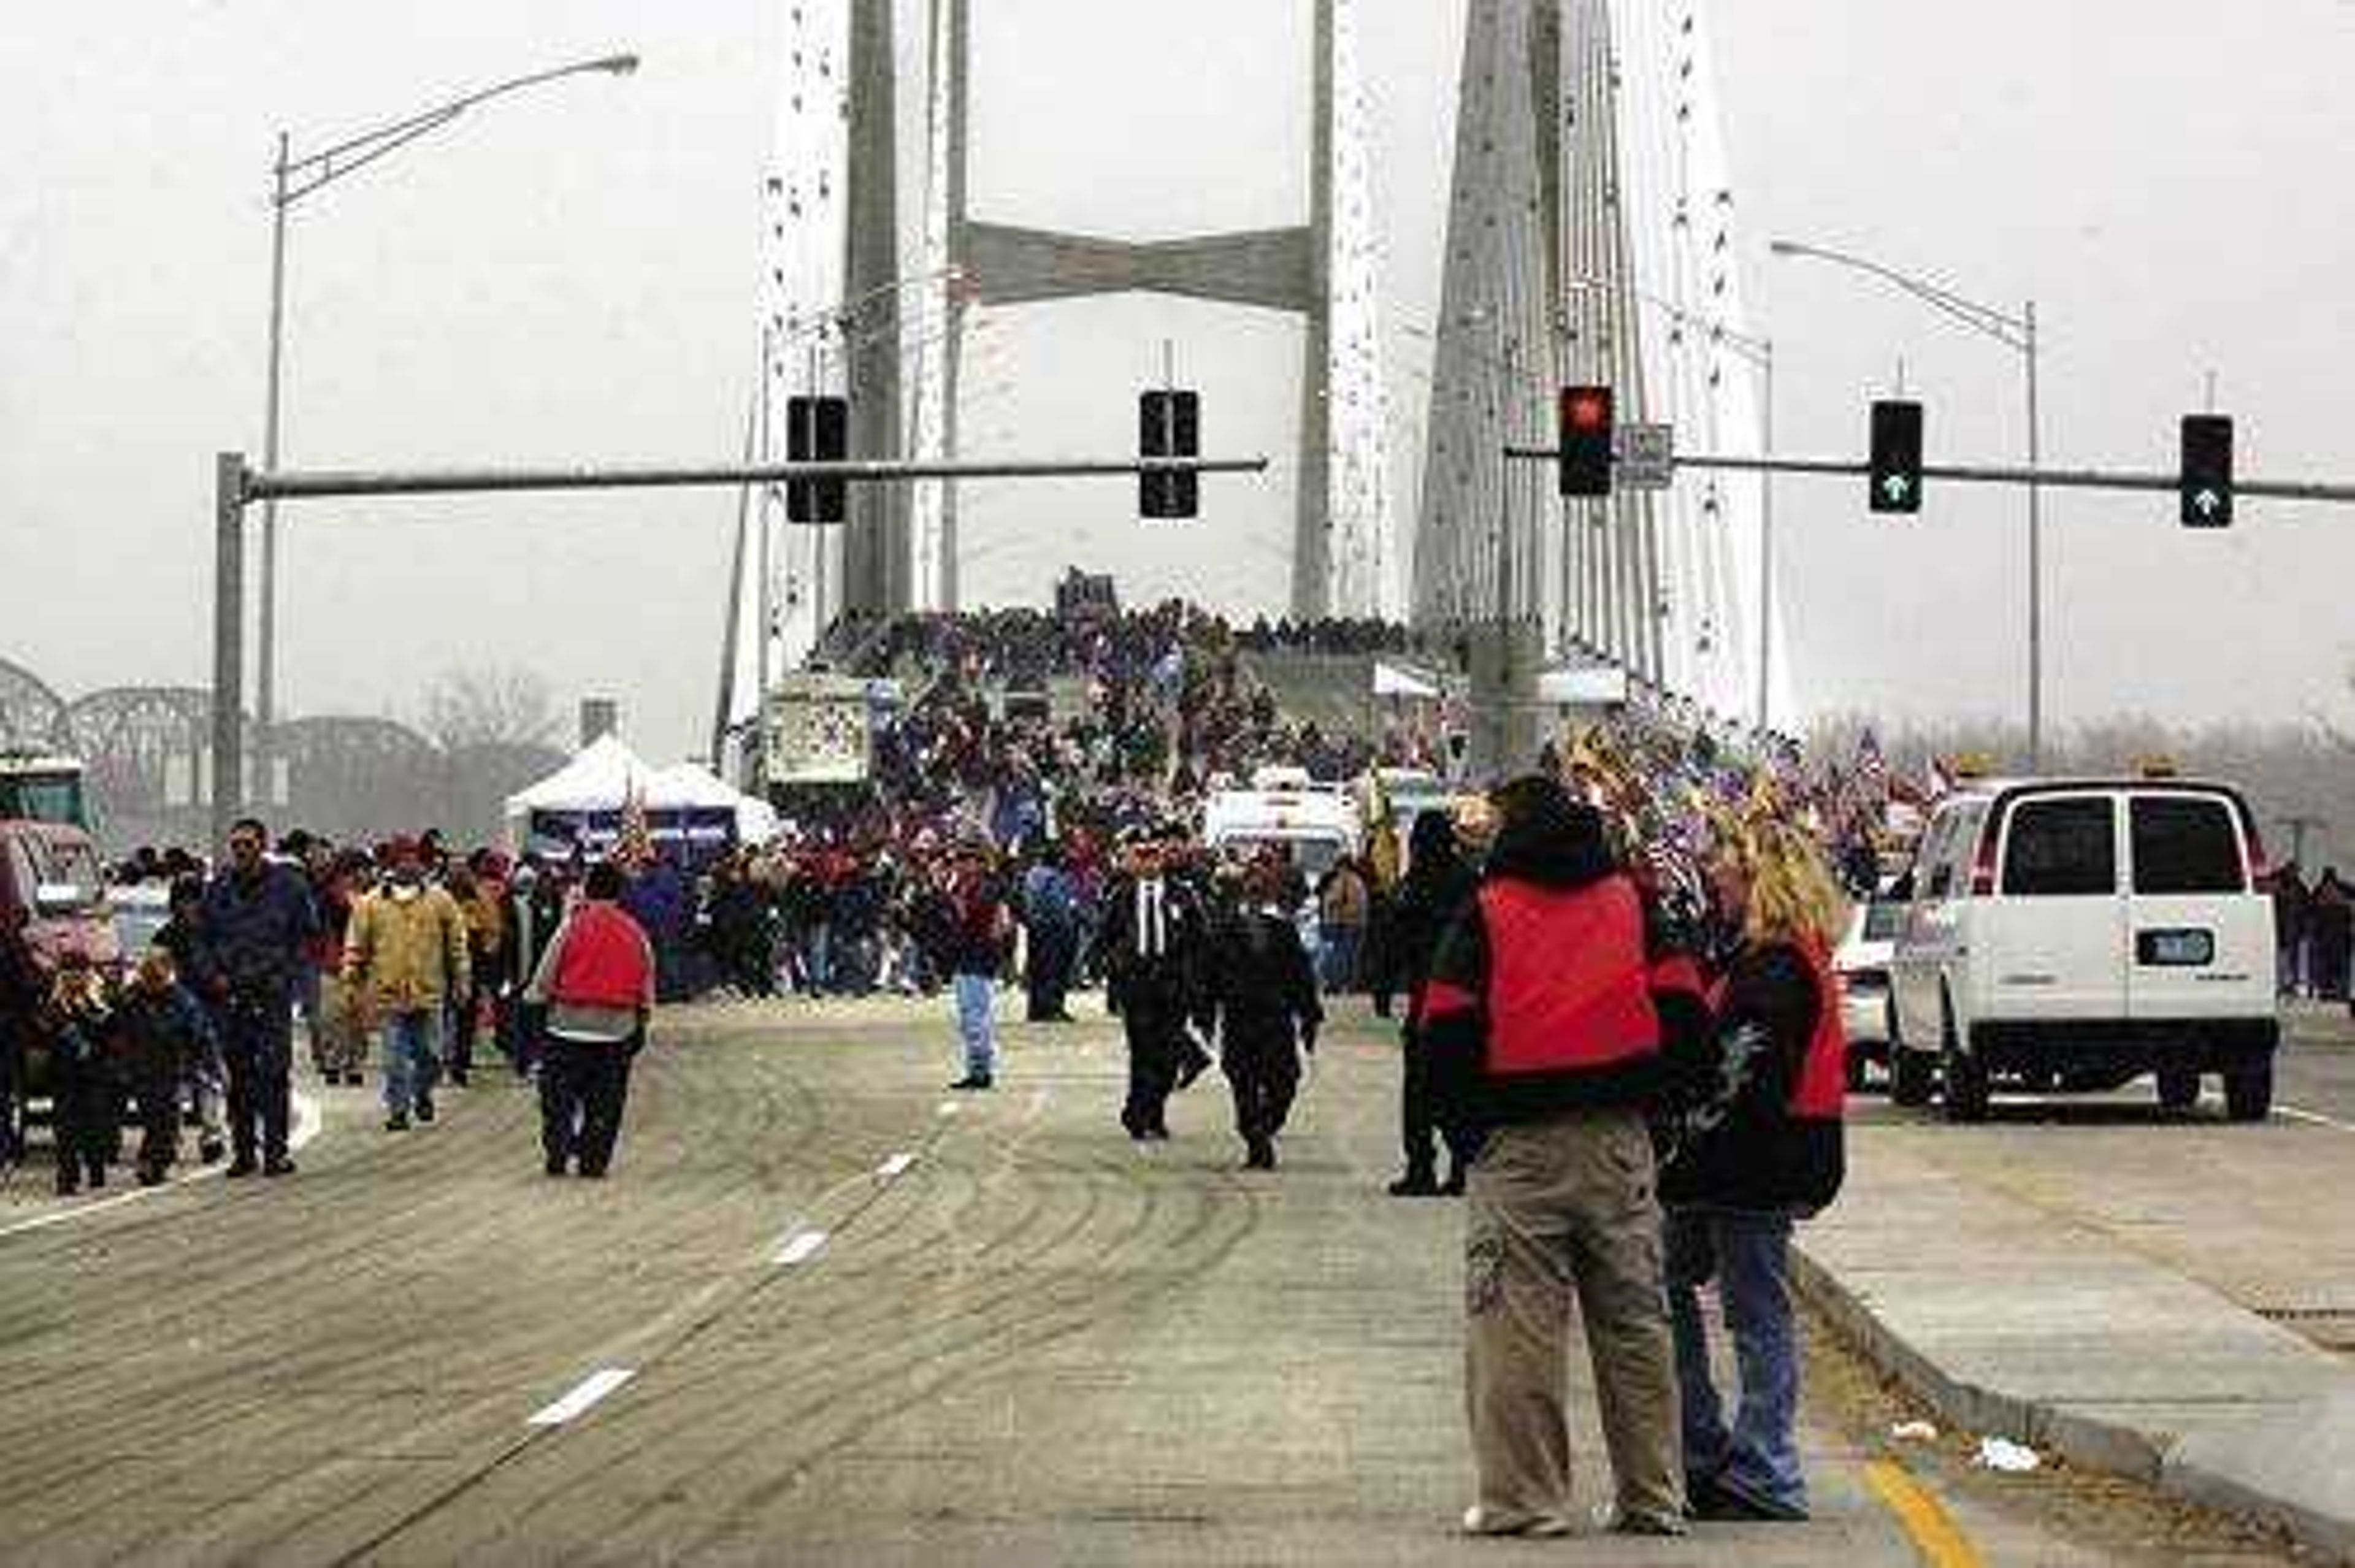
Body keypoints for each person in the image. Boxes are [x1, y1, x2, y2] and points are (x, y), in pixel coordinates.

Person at [1421, 775, 1685, 1539]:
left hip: (1520, 1146)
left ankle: (1526, 1498)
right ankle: (1653, 1495)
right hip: (1619, 1140)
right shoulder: (1632, 905)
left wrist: (1470, 1133)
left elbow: (1445, 1029)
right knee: (1636, 1324)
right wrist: (1656, 1113)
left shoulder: (1488, 911)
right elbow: (1685, 1011)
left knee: (1517, 1329)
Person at [1659, 815, 1849, 1523]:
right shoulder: (1787, 958)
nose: (1714, 878)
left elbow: (1743, 1073)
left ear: (1758, 879)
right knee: (1728, 1305)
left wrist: (1683, 1144)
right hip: (1766, 1159)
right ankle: (1727, 1452)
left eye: (1725, 870)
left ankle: (1753, 1461)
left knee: (1734, 1309)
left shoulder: (1771, 969)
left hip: (1745, 1165)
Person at [199, 816, 320, 1177]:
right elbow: (201, 939)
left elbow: (307, 935)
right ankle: (244, 1152)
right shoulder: (219, 889)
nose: (241, 851)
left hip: (271, 994)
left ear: (262, 846)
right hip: (231, 995)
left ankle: (276, 1152)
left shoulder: (288, 886)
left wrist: (287, 975)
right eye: (235, 845)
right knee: (239, 1077)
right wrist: (214, 977)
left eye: (248, 844)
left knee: (274, 1075)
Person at [525, 861, 656, 1177]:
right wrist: (643, 1018)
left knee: (559, 1098)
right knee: (605, 1103)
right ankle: (594, 1160)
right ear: (619, 893)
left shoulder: (571, 927)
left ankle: (558, 1148)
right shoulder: (635, 931)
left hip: (566, 1028)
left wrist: (533, 1003)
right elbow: (646, 980)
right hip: (616, 1031)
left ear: (588, 889)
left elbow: (544, 977)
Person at [1380, 810, 1481, 1198]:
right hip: (1467, 1000)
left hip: (1431, 998)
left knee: (1421, 1088)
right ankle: (1459, 1168)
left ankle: (1421, 1167)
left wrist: (1386, 988)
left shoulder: (1415, 884)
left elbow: (1394, 941)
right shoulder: (1471, 882)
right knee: (1461, 1086)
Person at [342, 839, 471, 1134]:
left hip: (429, 993)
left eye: (413, 859)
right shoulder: (371, 903)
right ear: (391, 864)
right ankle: (398, 1110)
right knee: (393, 1060)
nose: (407, 865)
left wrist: (462, 979)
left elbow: (457, 944)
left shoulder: (440, 900)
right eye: (402, 859)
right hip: (389, 995)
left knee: (432, 1056)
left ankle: (422, 1091)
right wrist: (351, 979)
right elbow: (356, 945)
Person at [1201, 856, 1322, 1169]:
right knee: (1244, 1083)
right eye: (1251, 884)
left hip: (1276, 1019)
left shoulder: (1284, 932)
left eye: (1261, 885)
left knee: (1285, 1083)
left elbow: (1301, 976)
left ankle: (1264, 1126)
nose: (1255, 890)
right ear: (1242, 891)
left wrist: (1310, 1015)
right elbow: (1209, 977)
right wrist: (1205, 1015)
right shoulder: (1222, 932)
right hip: (1239, 1019)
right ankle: (1256, 1140)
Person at [1097, 828, 1214, 1142]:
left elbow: (1200, 940)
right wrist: (1111, 971)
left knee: (1168, 1054)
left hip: (1173, 984)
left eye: (1155, 856)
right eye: (1143, 856)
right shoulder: (1122, 896)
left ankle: (1154, 1112)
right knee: (1142, 1053)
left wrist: (1199, 982)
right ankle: (1138, 1114)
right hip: (1137, 985)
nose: (1149, 863)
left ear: (1162, 860)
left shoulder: (1183, 895)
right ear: (1135, 861)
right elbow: (1104, 938)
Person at [115, 946, 215, 1187]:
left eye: (156, 976)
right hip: (140, 1066)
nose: (152, 982)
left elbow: (200, 1033)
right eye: (148, 975)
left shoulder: (181, 999)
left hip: (171, 1066)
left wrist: (206, 1063)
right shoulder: (132, 998)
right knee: (152, 1116)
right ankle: (154, 1161)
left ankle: (154, 1162)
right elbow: (117, 1029)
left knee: (166, 1118)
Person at [40, 951, 118, 1196]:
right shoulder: (54, 1004)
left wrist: (94, 1015)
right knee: (65, 1129)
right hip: (64, 1076)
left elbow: (113, 1035)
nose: (75, 980)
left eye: (80, 975)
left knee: (94, 1126)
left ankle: (96, 1171)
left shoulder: (101, 1001)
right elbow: (44, 1035)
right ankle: (67, 1177)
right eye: (70, 975)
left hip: (95, 1074)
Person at [943, 841, 1013, 1090]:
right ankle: (977, 1068)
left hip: (979, 957)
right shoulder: (971, 886)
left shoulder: (986, 888)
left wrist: (955, 900)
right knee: (969, 1016)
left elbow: (973, 918)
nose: (960, 865)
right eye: (959, 860)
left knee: (976, 1017)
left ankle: (981, 1070)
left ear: (978, 863)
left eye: (966, 860)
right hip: (967, 956)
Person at [1019, 844, 1080, 1023]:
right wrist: (1072, 915)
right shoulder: (1054, 877)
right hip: (1056, 930)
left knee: (1038, 970)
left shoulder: (1031, 875)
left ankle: (1036, 1010)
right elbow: (1059, 905)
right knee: (1055, 970)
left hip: (1036, 928)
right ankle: (1053, 1008)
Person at [1315, 855, 1371, 995]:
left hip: (1345, 922)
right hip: (1359, 922)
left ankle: (1337, 984)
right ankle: (1352, 985)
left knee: (1341, 955)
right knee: (1353, 956)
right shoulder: (1359, 881)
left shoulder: (1345, 880)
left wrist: (1329, 905)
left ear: (1343, 866)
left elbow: (1336, 900)